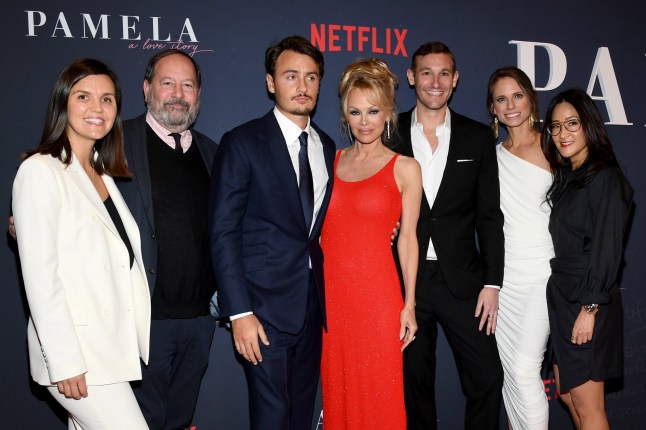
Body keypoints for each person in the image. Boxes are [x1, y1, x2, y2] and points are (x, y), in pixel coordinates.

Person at [11, 59, 150, 428]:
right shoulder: (40, 170)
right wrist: (64, 359)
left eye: (107, 99)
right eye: (84, 96)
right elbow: (41, 278)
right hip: (78, 355)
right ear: (63, 103)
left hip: (110, 349)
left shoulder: (100, 173)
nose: (96, 108)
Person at [209, 35, 336, 430]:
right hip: (261, 311)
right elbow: (223, 231)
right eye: (291, 76)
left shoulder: (327, 146)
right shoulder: (242, 142)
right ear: (270, 82)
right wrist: (240, 312)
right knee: (272, 418)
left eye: (312, 77)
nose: (302, 87)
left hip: (312, 309)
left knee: (299, 415)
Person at [392, 41, 505, 430]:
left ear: (455, 80)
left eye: (444, 73)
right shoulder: (389, 134)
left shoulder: (477, 138)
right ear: (411, 77)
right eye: (426, 72)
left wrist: (492, 282)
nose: (435, 82)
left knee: (488, 377)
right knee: (413, 384)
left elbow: (489, 217)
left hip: (464, 282)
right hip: (407, 282)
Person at [115, 49, 219, 430]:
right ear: (147, 89)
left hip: (199, 321)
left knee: (179, 420)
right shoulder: (115, 142)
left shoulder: (213, 152)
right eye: (167, 83)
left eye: (188, 85)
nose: (178, 93)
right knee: (140, 421)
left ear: (198, 94)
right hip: (143, 321)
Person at [320, 58, 422, 430]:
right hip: (332, 301)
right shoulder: (328, 162)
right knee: (339, 395)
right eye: (356, 111)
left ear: (389, 112)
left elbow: (408, 238)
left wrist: (409, 305)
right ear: (346, 115)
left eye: (373, 111)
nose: (365, 121)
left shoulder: (405, 168)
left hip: (379, 301)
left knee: (380, 396)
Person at [541, 88, 633, 430]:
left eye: (572, 124)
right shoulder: (570, 179)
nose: (563, 134)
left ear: (588, 125)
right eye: (555, 126)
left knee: (589, 406)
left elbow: (607, 248)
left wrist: (590, 308)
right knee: (570, 397)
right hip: (565, 298)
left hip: (586, 299)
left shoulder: (605, 177)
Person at [486, 66, 553, 429]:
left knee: (525, 370)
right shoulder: (492, 156)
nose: (510, 105)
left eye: (517, 95)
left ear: (530, 99)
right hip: (503, 280)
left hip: (542, 274)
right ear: (492, 109)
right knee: (510, 373)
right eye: (501, 98)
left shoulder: (553, 145)